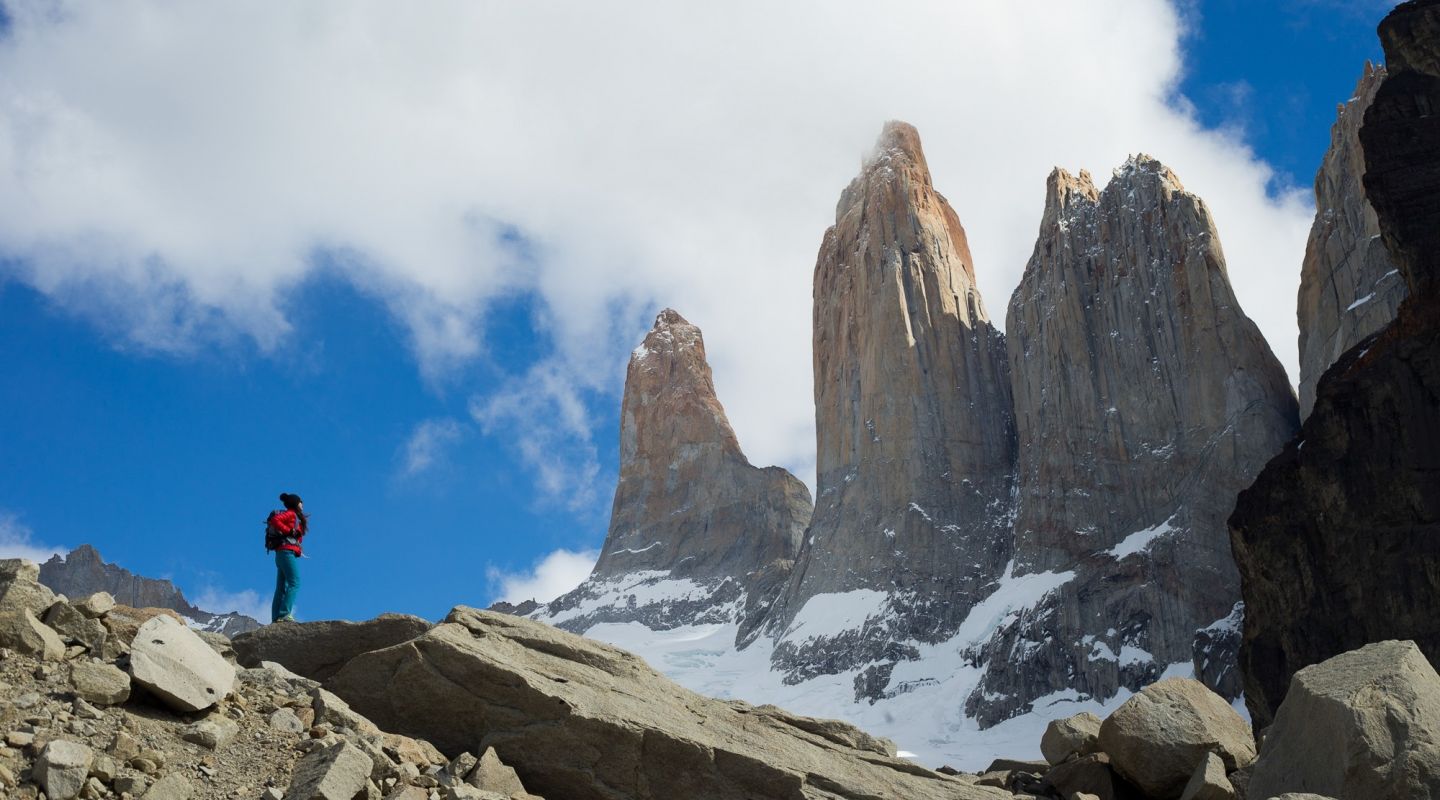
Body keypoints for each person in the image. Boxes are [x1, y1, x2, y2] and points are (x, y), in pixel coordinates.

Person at [269, 492, 307, 623]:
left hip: (281, 554)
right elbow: (275, 520)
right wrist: (289, 531)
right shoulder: (291, 514)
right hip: (286, 553)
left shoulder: (295, 517)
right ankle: (285, 614)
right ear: (295, 503)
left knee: (281, 587)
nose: (302, 504)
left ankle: (276, 618)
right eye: (301, 501)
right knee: (294, 582)